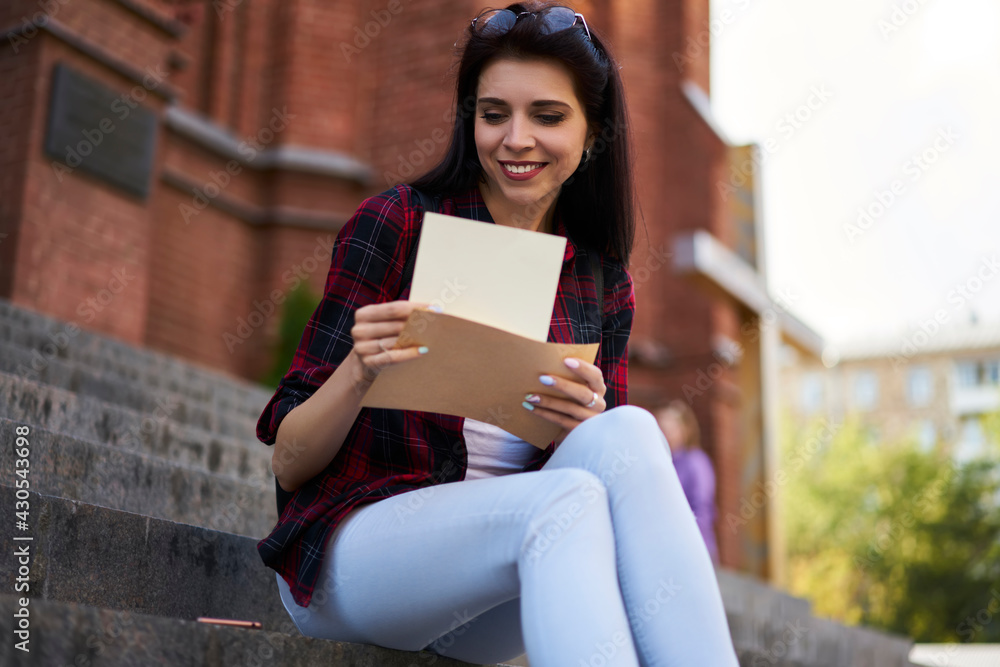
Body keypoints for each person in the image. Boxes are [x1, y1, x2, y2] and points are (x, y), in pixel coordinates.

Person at [256, 3, 739, 665]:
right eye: (494, 114)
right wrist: (359, 371)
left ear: (592, 131)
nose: (516, 139)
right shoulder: (396, 223)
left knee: (626, 430)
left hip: (485, 598)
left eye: (547, 115)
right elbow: (288, 461)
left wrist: (581, 424)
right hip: (355, 563)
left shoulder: (600, 283)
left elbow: (609, 493)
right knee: (564, 499)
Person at [656, 400, 721, 565]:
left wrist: (690, 547)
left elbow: (701, 509)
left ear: (684, 430)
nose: (663, 434)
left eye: (668, 429)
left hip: (695, 551)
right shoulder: (661, 462)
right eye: (660, 428)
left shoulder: (695, 462)